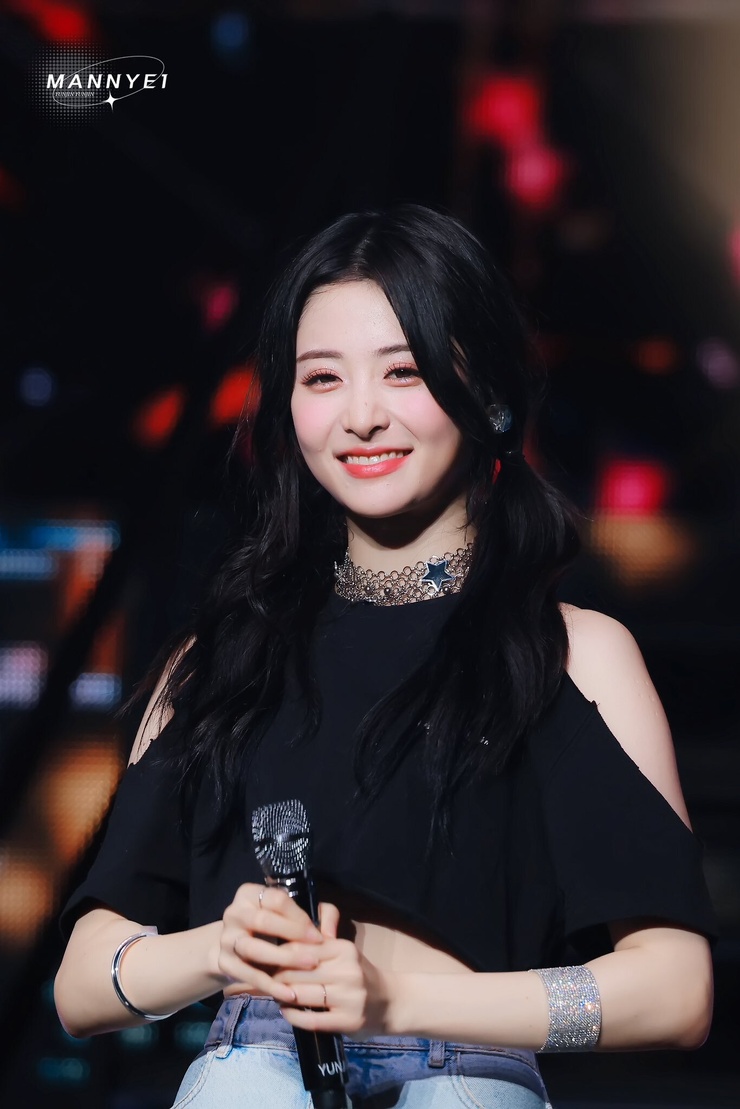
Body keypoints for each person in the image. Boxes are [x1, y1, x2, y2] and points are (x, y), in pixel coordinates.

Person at [54, 204, 717, 1109]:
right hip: (254, 1065)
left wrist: (397, 999)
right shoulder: (217, 662)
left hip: (468, 1073)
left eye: (403, 371)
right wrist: (219, 950)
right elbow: (81, 986)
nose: (361, 416)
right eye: (322, 378)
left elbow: (676, 990)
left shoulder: (572, 655)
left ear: (487, 392)